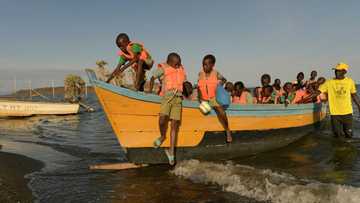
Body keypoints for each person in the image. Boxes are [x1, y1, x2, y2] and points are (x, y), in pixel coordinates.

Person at [149, 53, 186, 165]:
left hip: (178, 99)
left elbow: (184, 83)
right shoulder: (163, 68)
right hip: (167, 98)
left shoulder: (180, 69)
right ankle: (162, 136)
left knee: (174, 125)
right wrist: (150, 92)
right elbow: (152, 78)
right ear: (169, 62)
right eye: (176, 64)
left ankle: (171, 152)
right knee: (162, 119)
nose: (178, 65)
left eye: (179, 63)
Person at [308, 63, 360, 138]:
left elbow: (354, 95)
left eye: (339, 71)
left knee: (349, 135)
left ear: (344, 72)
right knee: (337, 135)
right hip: (335, 114)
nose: (336, 72)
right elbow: (318, 92)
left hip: (347, 113)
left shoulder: (350, 81)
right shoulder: (329, 82)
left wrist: (359, 106)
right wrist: (306, 98)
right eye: (335, 70)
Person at [197, 54, 232, 143]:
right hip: (204, 99)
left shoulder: (216, 73)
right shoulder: (200, 74)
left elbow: (224, 79)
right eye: (203, 64)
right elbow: (199, 87)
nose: (204, 66)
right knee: (202, 112)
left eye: (206, 64)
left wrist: (219, 85)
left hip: (213, 98)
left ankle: (227, 130)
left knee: (221, 112)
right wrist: (200, 98)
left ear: (212, 65)